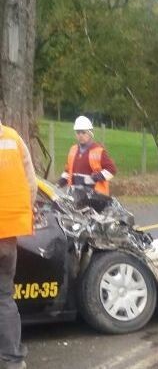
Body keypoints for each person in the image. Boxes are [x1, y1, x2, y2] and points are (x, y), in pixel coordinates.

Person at [0, 120, 37, 369]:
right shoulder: (13, 139)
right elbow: (31, 185)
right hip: (7, 237)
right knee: (4, 298)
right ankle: (12, 361)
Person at [58, 116, 117, 195]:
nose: (80, 135)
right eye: (78, 132)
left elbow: (112, 170)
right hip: (74, 195)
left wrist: (94, 178)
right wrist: (59, 183)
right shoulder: (73, 150)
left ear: (90, 133)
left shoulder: (99, 151)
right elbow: (68, 171)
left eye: (83, 132)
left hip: (95, 197)